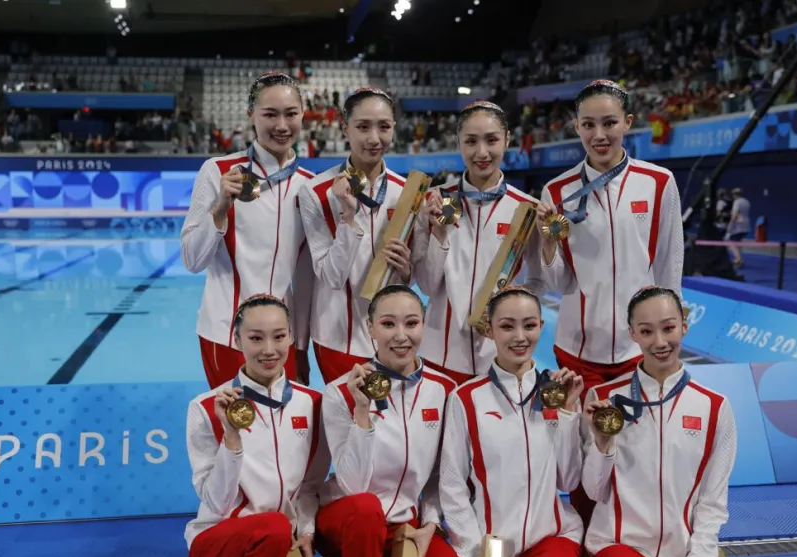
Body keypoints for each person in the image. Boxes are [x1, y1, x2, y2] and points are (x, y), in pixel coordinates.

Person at [535, 79, 684, 557]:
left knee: (634, 458)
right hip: (577, 349)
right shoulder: (555, 192)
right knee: (580, 459)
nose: (600, 134)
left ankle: (628, 552)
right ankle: (581, 551)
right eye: (589, 125)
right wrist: (550, 242)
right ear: (576, 128)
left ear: (627, 123)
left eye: (609, 122)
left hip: (636, 353)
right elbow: (555, 283)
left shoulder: (658, 182)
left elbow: (669, 267)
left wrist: (663, 339)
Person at [316, 284, 472, 557]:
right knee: (367, 510)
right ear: (369, 329)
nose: (401, 336)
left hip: (403, 525)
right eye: (388, 324)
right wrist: (362, 414)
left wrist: (430, 526)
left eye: (411, 323)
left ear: (424, 325)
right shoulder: (339, 393)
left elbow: (442, 476)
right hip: (348, 522)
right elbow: (352, 484)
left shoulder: (444, 391)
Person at [581, 286, 737, 557]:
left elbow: (713, 499)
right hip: (622, 547)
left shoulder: (715, 407)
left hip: (681, 556)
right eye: (647, 331)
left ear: (684, 325)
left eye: (668, 328)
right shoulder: (605, 398)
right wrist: (602, 442)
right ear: (632, 334)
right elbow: (591, 488)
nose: (660, 341)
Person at [439, 286, 586, 557]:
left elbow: (569, 480)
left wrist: (569, 415)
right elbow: (453, 483)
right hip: (490, 544)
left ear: (541, 325)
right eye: (508, 326)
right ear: (489, 329)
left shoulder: (557, 389)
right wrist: (474, 556)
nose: (520, 337)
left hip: (546, 534)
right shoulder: (466, 398)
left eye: (530, 325)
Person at [184, 294, 331, 557]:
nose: (269, 349)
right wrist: (231, 440)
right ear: (236, 340)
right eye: (256, 338)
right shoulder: (206, 408)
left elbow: (312, 485)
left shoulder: (313, 404)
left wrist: (308, 531)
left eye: (279, 337)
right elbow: (214, 503)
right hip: (221, 541)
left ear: (291, 338)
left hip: (284, 544)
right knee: (271, 526)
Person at [181, 72, 315, 388]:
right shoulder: (217, 171)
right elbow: (191, 260)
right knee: (236, 433)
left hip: (283, 340)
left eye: (291, 114)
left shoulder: (309, 186)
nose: (282, 125)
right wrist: (218, 209)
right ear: (250, 115)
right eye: (270, 114)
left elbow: (306, 277)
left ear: (302, 115)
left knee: (279, 434)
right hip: (226, 333)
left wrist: (302, 344)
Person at [414, 100, 545, 385]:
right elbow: (426, 285)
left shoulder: (529, 210)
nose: (481, 152)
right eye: (471, 141)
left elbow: (540, 283)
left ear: (507, 139)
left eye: (492, 140)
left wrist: (514, 308)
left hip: (501, 360)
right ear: (458, 142)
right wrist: (438, 233)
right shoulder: (435, 201)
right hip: (440, 358)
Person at [299, 87, 421, 385]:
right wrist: (348, 218)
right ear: (345, 128)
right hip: (337, 338)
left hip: (394, 339)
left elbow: (413, 277)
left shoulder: (409, 193)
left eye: (383, 127)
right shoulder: (316, 192)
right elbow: (330, 277)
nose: (373, 138)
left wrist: (407, 272)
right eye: (363, 127)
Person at [726, 188, 751, 268]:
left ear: (734, 195)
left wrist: (730, 224)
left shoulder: (737, 202)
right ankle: (739, 259)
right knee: (738, 242)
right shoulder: (747, 202)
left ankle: (738, 259)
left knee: (731, 242)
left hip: (738, 225)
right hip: (746, 224)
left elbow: (735, 214)